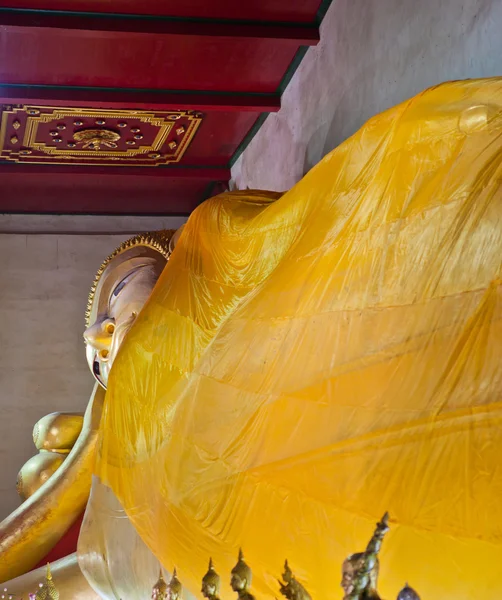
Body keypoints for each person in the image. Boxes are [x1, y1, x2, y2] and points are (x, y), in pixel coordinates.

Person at [2, 78, 502, 600]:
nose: (100, 334)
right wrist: (90, 451)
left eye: (123, 296)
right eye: (99, 365)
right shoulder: (120, 520)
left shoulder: (212, 246)